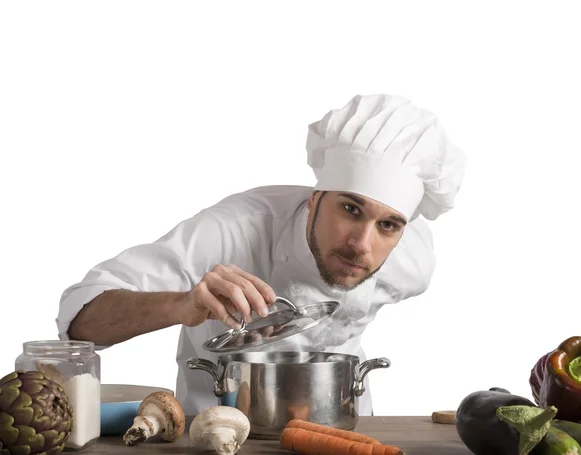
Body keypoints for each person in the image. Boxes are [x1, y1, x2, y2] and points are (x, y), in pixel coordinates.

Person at [56, 94, 466, 417]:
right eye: (350, 209)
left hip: (342, 430)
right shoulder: (230, 231)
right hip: (216, 430)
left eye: (388, 225)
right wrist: (183, 304)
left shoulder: (413, 264)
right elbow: (81, 323)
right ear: (315, 198)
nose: (362, 244)